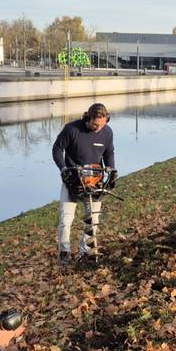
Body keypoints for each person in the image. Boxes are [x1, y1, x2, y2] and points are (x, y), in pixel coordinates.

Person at [52, 102, 116, 264]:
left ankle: (85, 250)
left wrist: (111, 169)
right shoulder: (72, 129)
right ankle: (64, 251)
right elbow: (57, 149)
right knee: (65, 220)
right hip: (73, 180)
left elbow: (109, 153)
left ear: (106, 120)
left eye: (102, 124)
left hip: (95, 180)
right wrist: (63, 168)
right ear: (88, 118)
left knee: (92, 220)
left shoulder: (107, 132)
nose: (98, 128)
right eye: (95, 124)